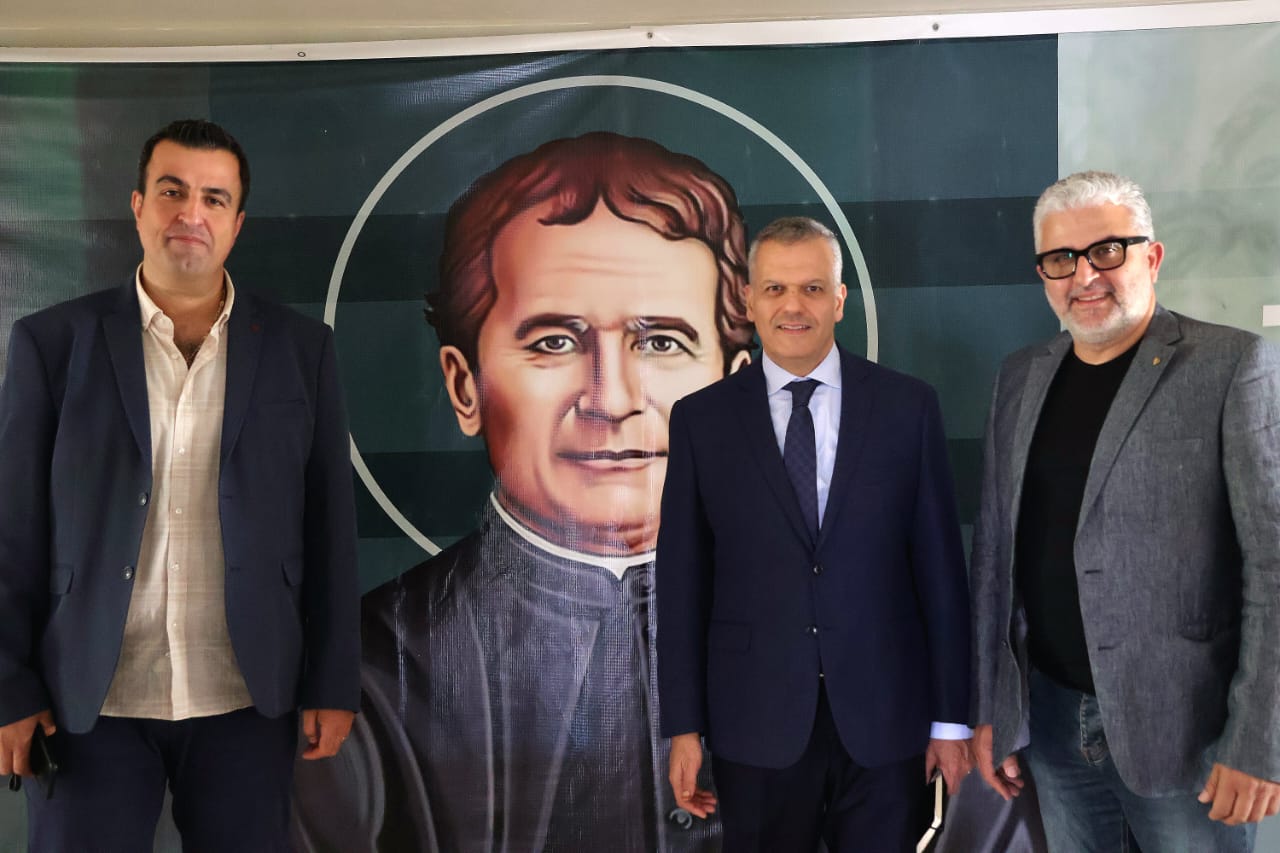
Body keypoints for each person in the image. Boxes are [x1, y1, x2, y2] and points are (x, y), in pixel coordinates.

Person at [292, 132, 754, 852]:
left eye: (661, 342)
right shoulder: (369, 666)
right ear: (464, 386)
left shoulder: (810, 627)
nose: (610, 400)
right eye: (554, 342)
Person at [0, 119, 360, 852]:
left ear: (237, 223)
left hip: (247, 696)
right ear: (138, 206)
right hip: (87, 699)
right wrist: (8, 684)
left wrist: (332, 680)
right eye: (172, 191)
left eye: (213, 198)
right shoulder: (51, 344)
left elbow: (330, 527)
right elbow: (11, 530)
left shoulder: (301, 350)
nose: (191, 212)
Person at [969, 170, 1280, 851]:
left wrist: (1262, 740)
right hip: (1051, 723)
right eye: (1061, 258)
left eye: (1106, 250)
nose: (1085, 276)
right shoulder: (1020, 376)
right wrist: (993, 706)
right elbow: (995, 554)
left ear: (1152, 256)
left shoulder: (1232, 364)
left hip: (1191, 734)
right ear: (1043, 273)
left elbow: (1274, 565)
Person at [655, 216, 973, 852]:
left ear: (840, 298)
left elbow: (941, 573)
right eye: (775, 289)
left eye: (812, 288)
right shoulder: (701, 421)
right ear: (748, 300)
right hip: (755, 720)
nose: (793, 306)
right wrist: (683, 726)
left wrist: (951, 723)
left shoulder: (908, 408)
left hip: (887, 720)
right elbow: (683, 582)